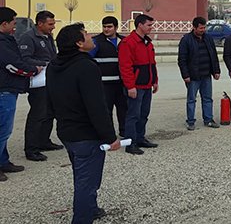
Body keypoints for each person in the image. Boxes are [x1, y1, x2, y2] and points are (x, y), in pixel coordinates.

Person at [47, 23, 121, 223]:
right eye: (86, 35)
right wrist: (110, 136)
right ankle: (82, 218)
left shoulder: (54, 65)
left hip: (67, 131)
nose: (91, 38)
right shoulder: (86, 67)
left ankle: (91, 209)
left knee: (82, 176)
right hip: (86, 135)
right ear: (79, 43)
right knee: (86, 182)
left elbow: (50, 99)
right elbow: (97, 106)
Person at [0, 7, 41, 182]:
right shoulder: (2, 43)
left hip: (9, 88)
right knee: (4, 130)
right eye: (13, 23)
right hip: (4, 90)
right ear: (4, 24)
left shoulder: (7, 40)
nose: (15, 26)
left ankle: (3, 161)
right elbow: (13, 65)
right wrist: (34, 70)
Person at [19, 10, 61, 162]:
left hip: (50, 80)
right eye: (50, 24)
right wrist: (44, 64)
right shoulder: (28, 38)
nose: (53, 27)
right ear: (40, 23)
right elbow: (24, 59)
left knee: (49, 113)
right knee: (37, 115)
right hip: (38, 82)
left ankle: (44, 141)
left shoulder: (48, 37)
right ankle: (31, 149)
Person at [118, 14, 158, 155]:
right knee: (133, 115)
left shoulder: (147, 42)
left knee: (143, 114)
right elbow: (125, 66)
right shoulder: (128, 43)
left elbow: (152, 64)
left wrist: (155, 81)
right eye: (149, 25)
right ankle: (131, 143)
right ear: (140, 25)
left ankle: (140, 138)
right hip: (136, 86)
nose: (151, 28)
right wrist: (130, 86)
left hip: (146, 85)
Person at [178, 17, 221, 130]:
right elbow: (182, 59)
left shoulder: (208, 38)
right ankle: (191, 121)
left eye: (204, 27)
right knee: (191, 99)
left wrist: (216, 71)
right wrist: (185, 75)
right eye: (201, 28)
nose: (203, 30)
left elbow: (214, 55)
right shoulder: (186, 40)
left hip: (206, 75)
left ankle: (208, 120)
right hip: (193, 76)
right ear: (194, 27)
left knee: (207, 98)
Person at [89, 16, 126, 137]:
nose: (106, 29)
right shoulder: (96, 42)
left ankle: (124, 131)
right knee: (106, 111)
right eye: (104, 26)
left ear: (116, 27)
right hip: (104, 84)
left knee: (124, 109)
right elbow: (89, 60)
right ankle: (109, 135)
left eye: (109, 27)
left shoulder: (124, 41)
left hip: (121, 83)